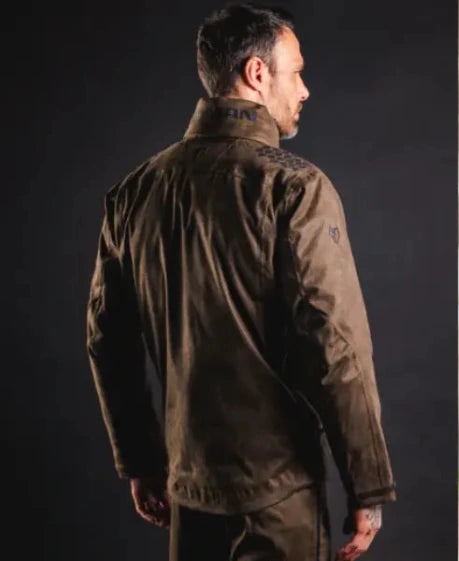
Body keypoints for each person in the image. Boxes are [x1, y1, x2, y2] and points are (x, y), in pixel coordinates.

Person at [86, 4, 393, 559]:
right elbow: (335, 346)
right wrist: (368, 485)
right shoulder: (294, 188)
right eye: (296, 72)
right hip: (279, 500)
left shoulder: (133, 193)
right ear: (257, 73)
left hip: (187, 490)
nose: (305, 90)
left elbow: (107, 340)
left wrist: (141, 462)